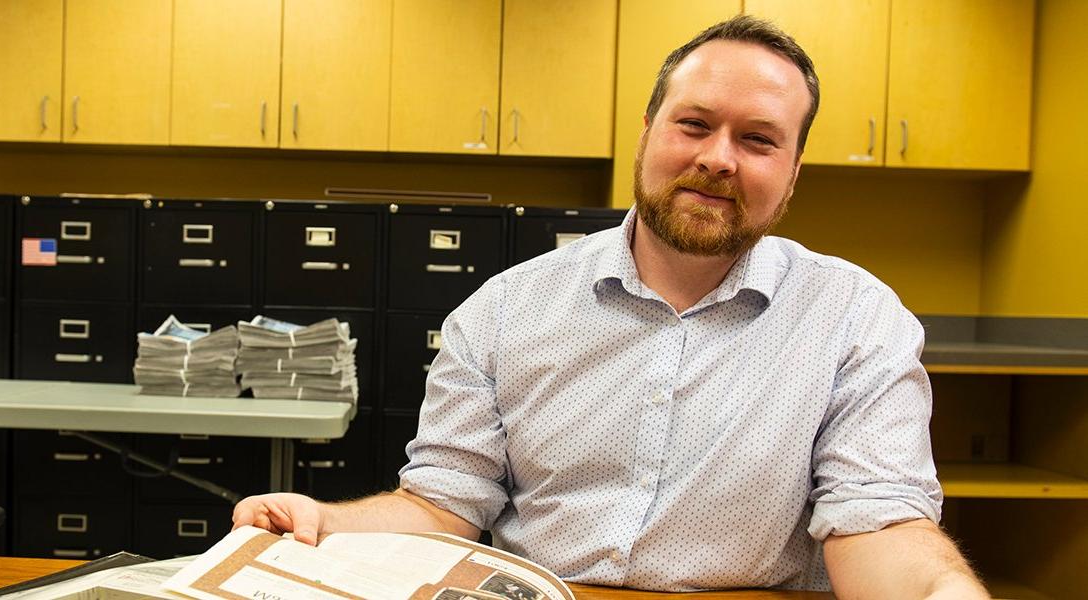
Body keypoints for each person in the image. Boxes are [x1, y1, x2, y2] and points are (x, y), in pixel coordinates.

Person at [233, 15, 988, 598]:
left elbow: (876, 519)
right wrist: (329, 523)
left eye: (758, 140)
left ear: (792, 174)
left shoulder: (854, 319)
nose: (717, 158)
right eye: (693, 124)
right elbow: (443, 505)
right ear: (646, 136)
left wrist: (942, 587)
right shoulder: (505, 310)